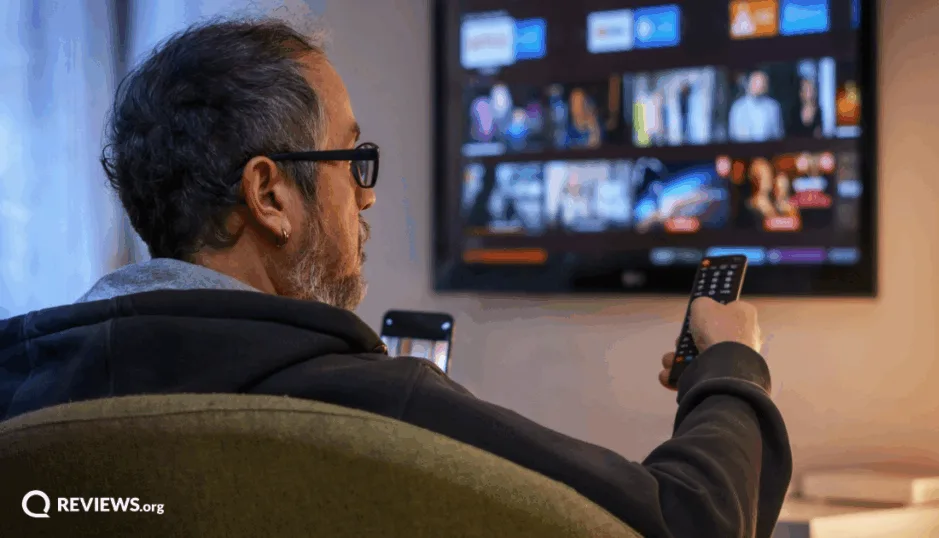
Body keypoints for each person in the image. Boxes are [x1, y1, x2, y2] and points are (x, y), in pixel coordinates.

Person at [0, 19, 792, 538]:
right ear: (269, 195)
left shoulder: (21, 388)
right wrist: (729, 365)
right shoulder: (381, 406)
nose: (368, 194)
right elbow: (694, 522)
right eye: (351, 159)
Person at [728, 70, 784, 142]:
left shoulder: (773, 107)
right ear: (749, 83)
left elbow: (778, 134)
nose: (759, 86)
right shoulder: (738, 107)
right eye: (755, 82)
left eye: (762, 83)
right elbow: (733, 135)